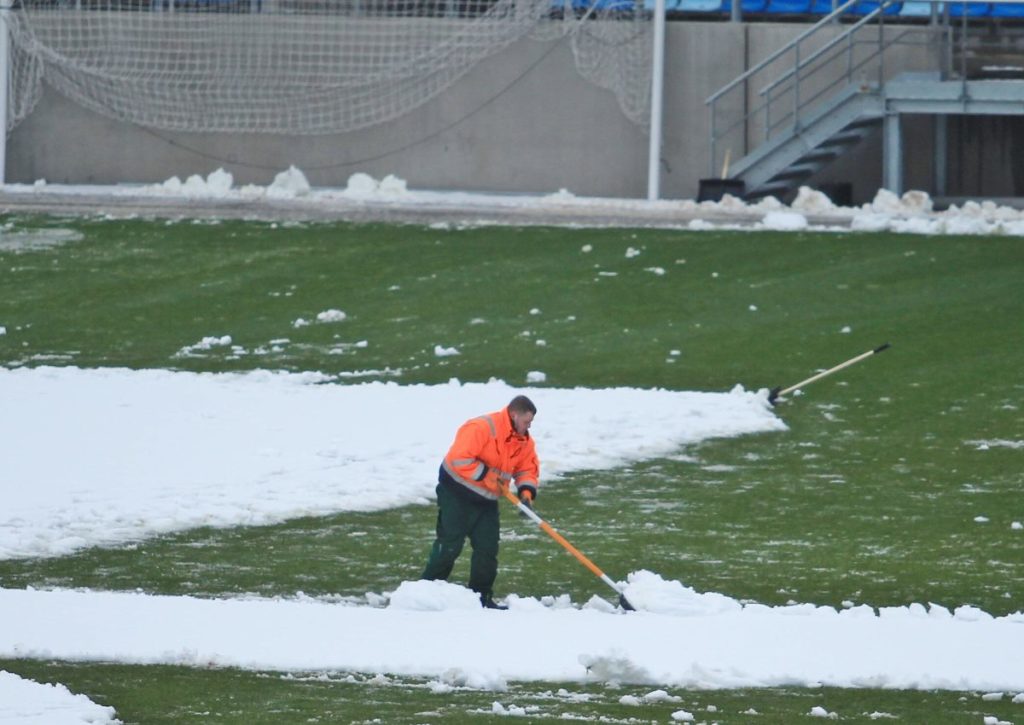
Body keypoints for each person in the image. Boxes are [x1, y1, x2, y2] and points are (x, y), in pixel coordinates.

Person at [421, 395, 539, 609]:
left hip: (487, 499)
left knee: (487, 549)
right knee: (450, 544)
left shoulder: (523, 441)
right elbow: (459, 459)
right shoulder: (481, 428)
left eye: (530, 423)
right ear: (514, 415)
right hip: (457, 493)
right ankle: (424, 593)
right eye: (526, 421)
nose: (528, 426)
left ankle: (481, 598)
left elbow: (526, 468)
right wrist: (487, 474)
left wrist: (526, 492)